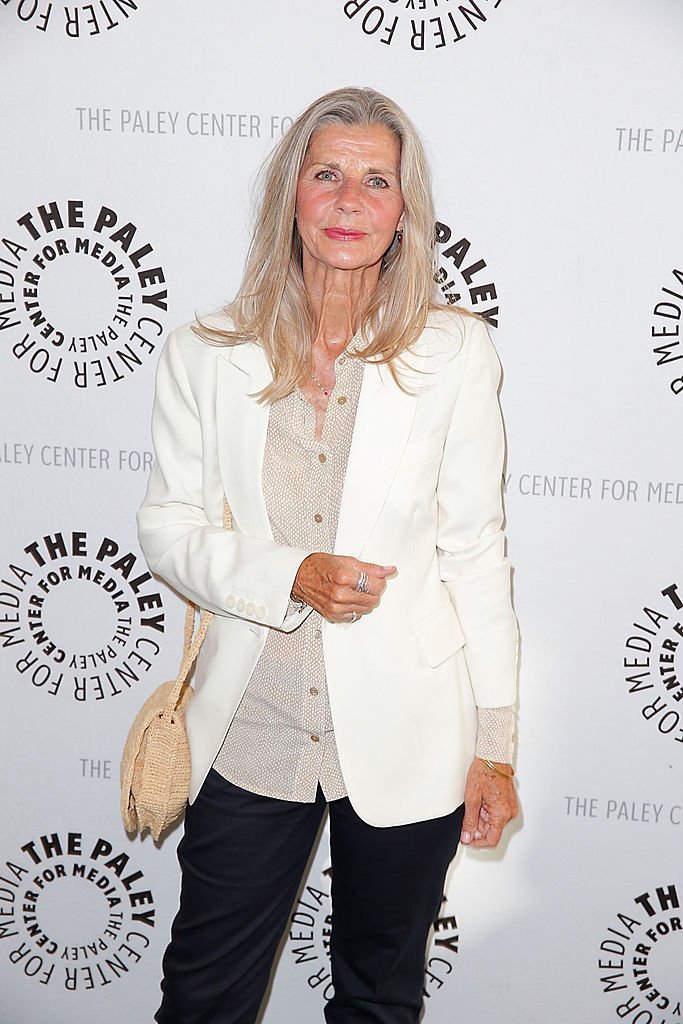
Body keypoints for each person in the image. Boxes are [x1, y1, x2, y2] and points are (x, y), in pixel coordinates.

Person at [137, 85, 519, 1024]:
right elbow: (168, 526)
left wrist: (497, 752)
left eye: (375, 181)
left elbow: (475, 550)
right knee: (200, 1000)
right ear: (292, 197)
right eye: (327, 175)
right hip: (252, 725)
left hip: (410, 728)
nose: (349, 201)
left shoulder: (455, 353)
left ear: (401, 212)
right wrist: (288, 576)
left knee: (377, 1001)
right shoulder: (205, 352)